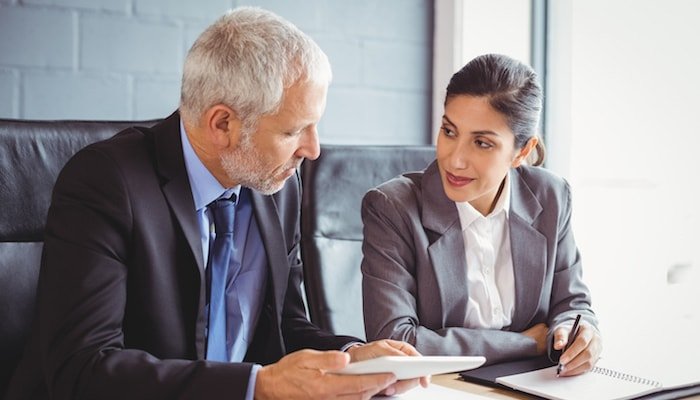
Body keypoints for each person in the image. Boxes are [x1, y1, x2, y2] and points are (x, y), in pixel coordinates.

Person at [5, 7, 428, 400]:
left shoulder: (277, 188)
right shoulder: (106, 182)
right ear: (222, 123)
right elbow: (83, 369)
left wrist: (349, 356)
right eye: (293, 131)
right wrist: (255, 385)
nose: (313, 150)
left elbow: (282, 328)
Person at [361, 53, 603, 377]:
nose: (455, 159)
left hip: (534, 385)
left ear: (521, 151)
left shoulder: (551, 196)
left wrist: (581, 334)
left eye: (482, 143)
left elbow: (572, 304)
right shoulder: (392, 208)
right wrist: (527, 343)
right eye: (449, 131)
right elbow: (395, 342)